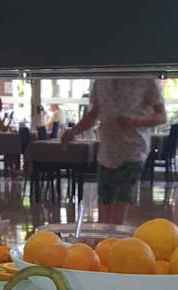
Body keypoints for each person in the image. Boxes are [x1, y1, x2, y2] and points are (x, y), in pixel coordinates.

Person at [62, 77, 166, 225]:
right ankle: (105, 238)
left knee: (118, 211)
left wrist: (135, 121)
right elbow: (94, 114)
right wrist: (73, 131)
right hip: (107, 154)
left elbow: (161, 116)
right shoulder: (101, 80)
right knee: (104, 209)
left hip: (133, 152)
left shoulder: (146, 78)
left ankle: (116, 237)